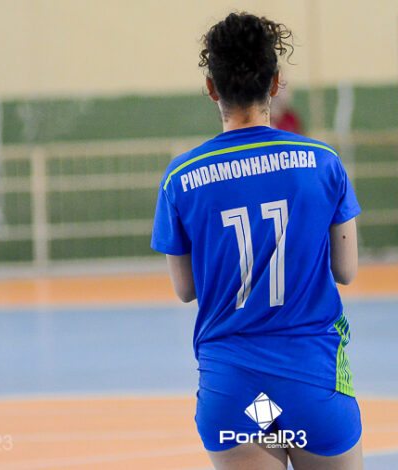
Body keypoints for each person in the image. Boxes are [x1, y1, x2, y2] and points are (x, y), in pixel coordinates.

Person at [151, 13, 362, 470]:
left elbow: (185, 290)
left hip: (237, 391)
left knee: (261, 418)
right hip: (310, 381)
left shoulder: (181, 177)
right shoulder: (322, 162)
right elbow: (346, 271)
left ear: (212, 87)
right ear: (275, 82)